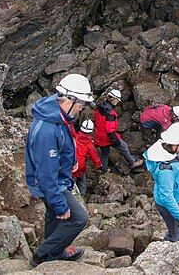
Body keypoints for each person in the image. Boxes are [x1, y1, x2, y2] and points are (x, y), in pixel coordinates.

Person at [25, 74, 93, 266]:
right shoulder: (48, 130)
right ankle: (43, 254)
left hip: (55, 178)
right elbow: (46, 174)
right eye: (81, 103)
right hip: (51, 183)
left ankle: (53, 253)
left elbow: (61, 144)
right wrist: (60, 203)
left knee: (53, 215)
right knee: (79, 218)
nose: (82, 108)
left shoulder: (56, 114)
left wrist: (69, 161)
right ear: (70, 100)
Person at [143, 122, 179, 242]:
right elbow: (167, 197)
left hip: (169, 200)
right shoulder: (166, 169)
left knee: (178, 230)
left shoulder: (163, 151)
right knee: (174, 233)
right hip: (169, 204)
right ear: (177, 145)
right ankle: (168, 251)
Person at [94, 89, 143, 172]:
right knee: (124, 146)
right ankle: (132, 163)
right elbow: (109, 129)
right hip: (108, 137)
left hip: (99, 135)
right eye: (117, 100)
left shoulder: (100, 106)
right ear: (113, 99)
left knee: (105, 154)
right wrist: (115, 140)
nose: (118, 102)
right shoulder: (110, 114)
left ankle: (103, 170)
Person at [72, 119, 101, 197]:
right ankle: (82, 196)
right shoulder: (89, 144)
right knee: (82, 180)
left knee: (71, 180)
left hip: (71, 163)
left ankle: (72, 195)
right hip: (81, 165)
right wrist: (99, 165)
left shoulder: (75, 136)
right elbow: (94, 156)